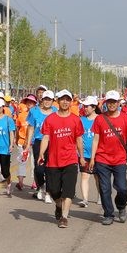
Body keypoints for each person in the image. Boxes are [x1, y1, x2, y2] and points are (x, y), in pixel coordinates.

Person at [88, 90, 127, 226]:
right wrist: (92, 158)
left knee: (122, 188)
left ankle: (121, 206)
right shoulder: (100, 119)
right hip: (102, 158)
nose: (111, 104)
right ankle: (108, 214)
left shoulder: (125, 118)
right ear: (106, 103)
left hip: (119, 159)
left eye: (114, 102)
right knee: (105, 189)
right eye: (109, 102)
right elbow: (96, 139)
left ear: (118, 103)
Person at [39, 90, 85, 227]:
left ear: (71, 102)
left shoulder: (76, 119)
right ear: (58, 101)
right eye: (63, 99)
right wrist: (41, 153)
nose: (65, 102)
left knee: (68, 190)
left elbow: (79, 139)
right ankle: (58, 205)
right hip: (53, 160)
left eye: (68, 99)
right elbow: (46, 137)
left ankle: (64, 217)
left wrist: (81, 156)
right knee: (53, 190)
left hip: (70, 159)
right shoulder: (50, 119)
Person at [25, 90, 55, 202]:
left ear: (53, 101)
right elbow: (31, 128)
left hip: (52, 142)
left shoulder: (56, 112)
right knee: (39, 169)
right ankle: (41, 186)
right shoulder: (34, 111)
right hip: (38, 142)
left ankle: (48, 193)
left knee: (50, 168)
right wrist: (27, 145)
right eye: (45, 99)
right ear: (42, 100)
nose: (47, 101)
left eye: (49, 99)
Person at [77, 96, 98, 207]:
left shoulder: (100, 119)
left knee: (97, 177)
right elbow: (78, 137)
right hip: (84, 154)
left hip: (98, 154)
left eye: (87, 106)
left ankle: (100, 196)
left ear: (94, 107)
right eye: (84, 106)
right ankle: (85, 199)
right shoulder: (81, 120)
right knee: (84, 176)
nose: (85, 108)